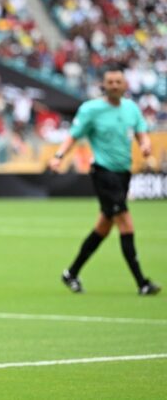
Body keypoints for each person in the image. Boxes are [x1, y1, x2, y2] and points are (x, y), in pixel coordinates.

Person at [50, 66, 160, 296]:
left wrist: (145, 144)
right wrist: (59, 156)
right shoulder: (91, 109)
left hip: (123, 173)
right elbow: (74, 135)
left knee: (104, 226)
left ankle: (71, 273)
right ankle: (142, 282)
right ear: (104, 85)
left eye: (118, 82)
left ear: (125, 85)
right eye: (110, 82)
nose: (114, 85)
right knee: (126, 223)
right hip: (103, 172)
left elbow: (141, 131)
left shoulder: (131, 108)